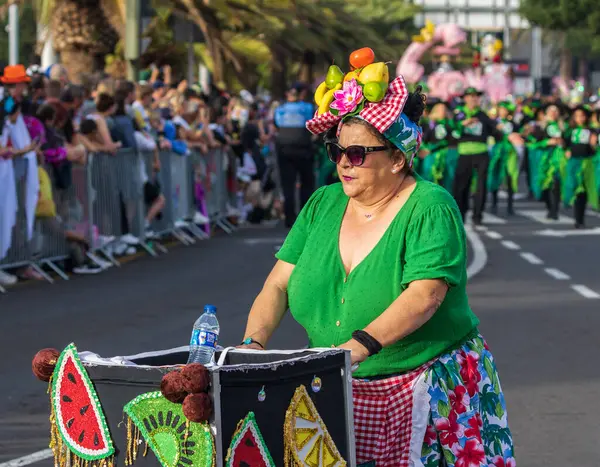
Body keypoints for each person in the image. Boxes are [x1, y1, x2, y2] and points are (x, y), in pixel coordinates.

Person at [240, 68, 514, 466]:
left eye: (357, 154)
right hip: (338, 384)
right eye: (337, 151)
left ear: (398, 158)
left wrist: (354, 350)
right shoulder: (322, 203)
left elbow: (425, 295)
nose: (343, 164)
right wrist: (253, 347)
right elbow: (278, 284)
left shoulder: (431, 207)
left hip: (425, 389)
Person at [453, 87, 503, 225]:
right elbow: (451, 131)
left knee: (481, 185)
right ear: (465, 98)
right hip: (464, 153)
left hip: (481, 153)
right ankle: (460, 215)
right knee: (462, 186)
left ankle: (477, 216)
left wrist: (499, 129)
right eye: (470, 96)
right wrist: (462, 125)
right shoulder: (459, 114)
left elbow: (495, 132)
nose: (474, 99)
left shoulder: (483, 115)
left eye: (476, 96)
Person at [273, 84, 315, 228]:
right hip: (304, 147)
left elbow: (276, 125)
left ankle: (289, 218)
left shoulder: (280, 109)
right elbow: (313, 124)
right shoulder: (308, 108)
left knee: (287, 185)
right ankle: (305, 218)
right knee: (307, 184)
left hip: (284, 148)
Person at [563, 105, 599, 228]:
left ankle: (580, 219)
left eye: (582, 116)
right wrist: (566, 150)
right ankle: (572, 210)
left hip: (587, 163)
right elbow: (565, 144)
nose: (580, 118)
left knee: (583, 191)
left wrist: (594, 144)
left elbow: (595, 148)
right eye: (577, 116)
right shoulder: (570, 131)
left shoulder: (592, 131)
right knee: (573, 186)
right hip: (574, 162)